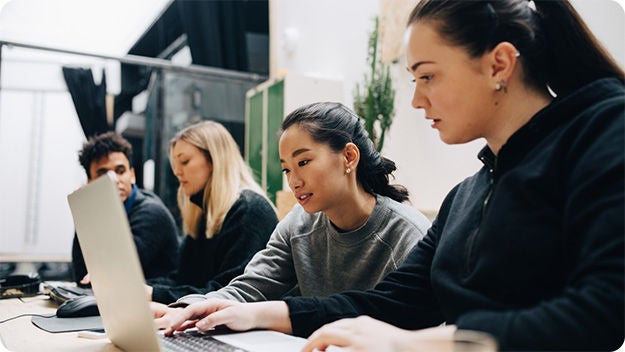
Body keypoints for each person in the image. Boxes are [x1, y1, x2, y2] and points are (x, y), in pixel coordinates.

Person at [160, 1, 625, 351]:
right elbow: (389, 303)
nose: (418, 101)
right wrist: (253, 312)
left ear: (499, 64)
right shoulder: (467, 196)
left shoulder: (602, 131)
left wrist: (412, 344)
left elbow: (602, 309)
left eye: (427, 77)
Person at [151, 102, 431, 324]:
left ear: (349, 157)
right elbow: (250, 287)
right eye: (286, 168)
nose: (293, 180)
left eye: (304, 161)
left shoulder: (407, 234)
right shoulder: (298, 223)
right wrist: (186, 310)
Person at [145, 120, 279, 304]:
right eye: (175, 164)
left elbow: (227, 293)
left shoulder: (248, 210)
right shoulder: (204, 215)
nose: (176, 172)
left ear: (214, 160)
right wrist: (137, 287)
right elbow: (182, 279)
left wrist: (153, 293)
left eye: (184, 161)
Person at [72, 132, 179, 284]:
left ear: (132, 175)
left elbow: (115, 271)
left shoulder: (151, 212)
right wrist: (86, 212)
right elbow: (81, 274)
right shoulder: (100, 212)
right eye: (103, 174)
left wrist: (89, 216)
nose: (114, 180)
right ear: (90, 182)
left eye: (120, 171)